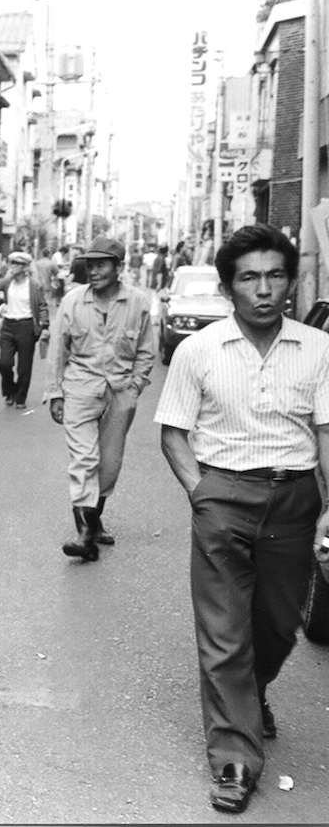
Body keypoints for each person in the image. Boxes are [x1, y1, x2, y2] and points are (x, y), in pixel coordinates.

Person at [153, 223, 329, 814]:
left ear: (292, 281)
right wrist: (202, 492)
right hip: (223, 495)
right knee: (225, 633)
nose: (263, 289)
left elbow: (327, 434)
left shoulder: (318, 347)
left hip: (295, 499)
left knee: (280, 626)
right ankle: (234, 758)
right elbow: (174, 431)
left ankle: (251, 696)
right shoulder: (199, 349)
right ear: (230, 288)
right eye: (249, 278)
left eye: (275, 275)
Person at [43, 236, 155, 560]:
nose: (93, 271)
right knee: (84, 459)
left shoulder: (138, 302)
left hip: (120, 392)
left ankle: (94, 521)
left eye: (101, 265)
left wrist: (134, 387)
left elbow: (146, 352)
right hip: (80, 388)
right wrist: (54, 393)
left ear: (119, 268)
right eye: (89, 265)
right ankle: (85, 534)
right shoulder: (73, 301)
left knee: (109, 465)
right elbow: (57, 350)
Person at [0, 251, 50, 409]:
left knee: (24, 366)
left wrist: (45, 327)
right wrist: (0, 303)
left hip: (26, 326)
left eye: (17, 263)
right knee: (5, 363)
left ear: (25, 267)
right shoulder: (7, 281)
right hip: (8, 326)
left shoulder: (34, 285)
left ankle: (20, 397)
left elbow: (42, 306)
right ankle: (9, 391)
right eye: (12, 263)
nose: (13, 266)